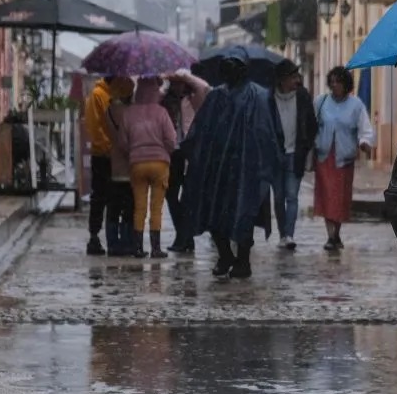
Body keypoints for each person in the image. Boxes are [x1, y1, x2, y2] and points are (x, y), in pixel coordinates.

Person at [181, 49, 283, 280]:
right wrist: (192, 151)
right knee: (215, 214)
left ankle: (243, 260)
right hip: (218, 167)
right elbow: (201, 129)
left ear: (244, 68)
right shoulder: (217, 96)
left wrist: (269, 160)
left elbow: (269, 131)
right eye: (226, 65)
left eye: (234, 65)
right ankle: (225, 255)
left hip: (247, 167)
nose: (229, 70)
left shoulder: (259, 96)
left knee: (244, 214)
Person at [313, 66, 374, 251]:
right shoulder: (320, 102)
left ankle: (336, 233)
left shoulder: (356, 105)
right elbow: (311, 124)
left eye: (338, 82)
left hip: (344, 157)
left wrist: (364, 142)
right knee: (326, 195)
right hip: (324, 155)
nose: (334, 85)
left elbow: (365, 128)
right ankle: (330, 236)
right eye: (332, 82)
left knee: (339, 198)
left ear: (346, 84)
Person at [120, 77, 177, 259]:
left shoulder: (128, 113)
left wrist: (133, 152)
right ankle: (155, 248)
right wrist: (164, 152)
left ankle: (137, 248)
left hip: (137, 163)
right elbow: (171, 139)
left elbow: (122, 142)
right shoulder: (161, 112)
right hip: (160, 163)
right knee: (156, 207)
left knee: (139, 206)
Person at [160, 70, 210, 254]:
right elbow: (154, 95)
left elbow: (204, 86)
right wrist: (167, 80)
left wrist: (185, 76)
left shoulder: (194, 99)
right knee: (171, 195)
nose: (177, 86)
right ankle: (184, 236)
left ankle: (184, 238)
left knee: (188, 197)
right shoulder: (165, 100)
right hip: (172, 152)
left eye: (180, 82)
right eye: (174, 83)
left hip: (191, 151)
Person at [271, 59, 318, 250]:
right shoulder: (269, 98)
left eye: (296, 76)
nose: (296, 80)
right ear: (282, 80)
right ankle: (282, 234)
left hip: (295, 154)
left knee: (292, 196)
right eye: (292, 77)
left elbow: (312, 123)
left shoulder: (303, 96)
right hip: (276, 155)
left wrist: (306, 146)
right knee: (278, 197)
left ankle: (289, 235)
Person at [104, 77, 137, 257]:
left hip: (114, 163)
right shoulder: (130, 113)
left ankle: (112, 244)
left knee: (113, 207)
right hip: (130, 166)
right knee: (129, 207)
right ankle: (127, 243)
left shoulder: (108, 111)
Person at [84, 76, 116, 256]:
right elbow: (95, 127)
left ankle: (112, 238)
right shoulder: (97, 95)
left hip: (115, 155)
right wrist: (108, 147)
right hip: (102, 154)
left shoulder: (115, 94)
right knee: (99, 197)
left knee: (113, 197)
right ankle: (94, 236)